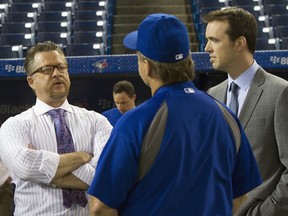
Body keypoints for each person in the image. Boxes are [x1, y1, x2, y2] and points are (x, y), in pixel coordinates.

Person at [88, 13, 261, 216]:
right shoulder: (226, 115)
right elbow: (240, 197)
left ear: (148, 66)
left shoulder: (135, 122)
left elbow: (100, 208)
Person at [0, 41, 112, 216]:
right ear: (31, 81)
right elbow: (26, 167)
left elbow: (106, 175)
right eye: (46, 69)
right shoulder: (14, 126)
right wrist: (82, 156)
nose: (56, 73)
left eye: (61, 67)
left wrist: (43, 172)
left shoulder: (97, 121)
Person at [204, 7, 288, 216]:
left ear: (239, 43)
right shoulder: (212, 95)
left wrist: (264, 211)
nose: (206, 48)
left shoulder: (281, 92)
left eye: (214, 40)